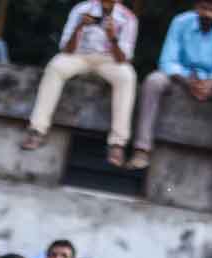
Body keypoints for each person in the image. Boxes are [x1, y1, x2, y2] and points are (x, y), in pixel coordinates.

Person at [23, 0, 137, 165]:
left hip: (109, 59)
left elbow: (122, 59)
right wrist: (79, 27)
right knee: (55, 67)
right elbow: (67, 49)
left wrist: (112, 38)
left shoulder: (128, 18)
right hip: (79, 55)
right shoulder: (82, 9)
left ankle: (117, 143)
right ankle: (37, 129)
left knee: (127, 76)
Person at [129, 2, 212, 171]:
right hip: (179, 77)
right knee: (153, 82)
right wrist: (188, 82)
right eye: (204, 9)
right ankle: (142, 149)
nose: (207, 15)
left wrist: (211, 83)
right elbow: (167, 60)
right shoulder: (180, 22)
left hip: (211, 82)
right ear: (197, 8)